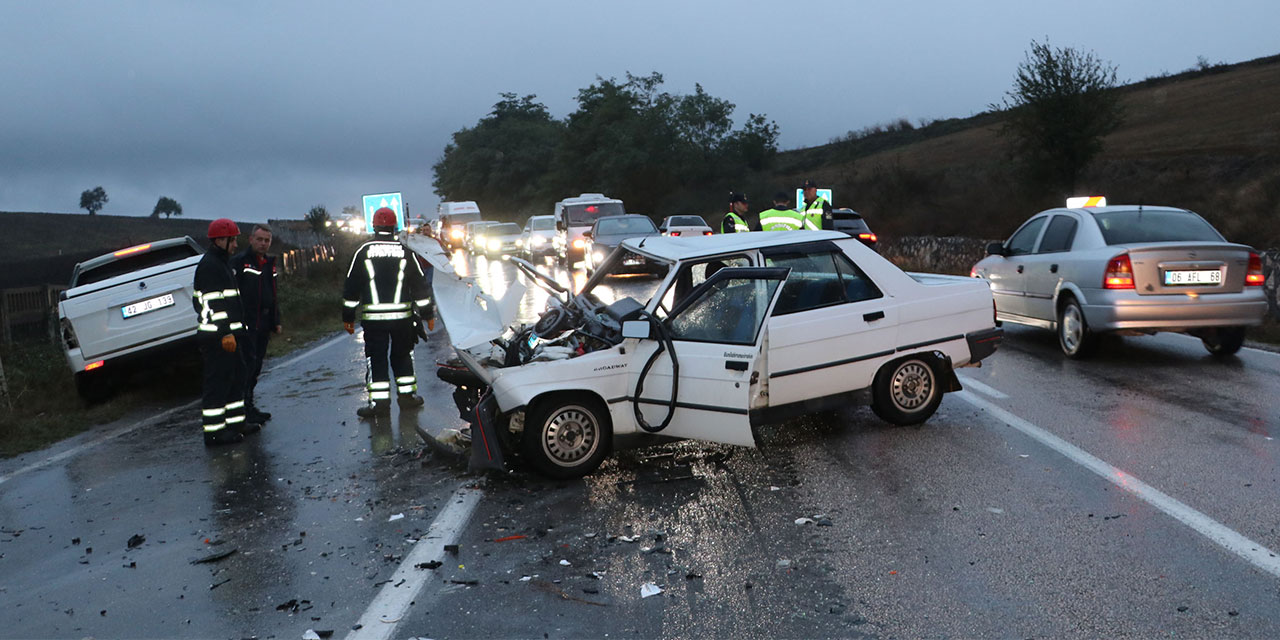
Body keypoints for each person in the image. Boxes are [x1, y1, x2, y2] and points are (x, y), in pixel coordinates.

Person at [342, 207, 433, 418]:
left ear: (374, 226)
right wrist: (428, 314)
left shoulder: (362, 252)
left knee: (376, 359)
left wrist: (348, 318)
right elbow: (420, 286)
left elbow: (351, 287)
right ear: (395, 227)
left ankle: (380, 405)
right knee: (402, 356)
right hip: (402, 320)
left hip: (374, 322)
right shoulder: (406, 252)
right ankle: (408, 399)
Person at [193, 218, 257, 446]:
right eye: (233, 240)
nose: (236, 245)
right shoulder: (210, 266)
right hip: (218, 338)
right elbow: (213, 303)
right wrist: (224, 333)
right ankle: (214, 432)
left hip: (230, 335)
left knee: (236, 376)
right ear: (221, 240)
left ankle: (236, 423)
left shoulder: (221, 263)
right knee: (218, 382)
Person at [232, 223, 282, 424]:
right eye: (260, 239)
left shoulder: (269, 263)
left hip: (264, 322)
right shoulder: (239, 262)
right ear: (251, 239)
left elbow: (274, 293)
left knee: (257, 366)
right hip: (247, 324)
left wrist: (276, 320)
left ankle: (249, 406)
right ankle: (242, 409)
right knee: (246, 367)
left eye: (267, 240)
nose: (263, 244)